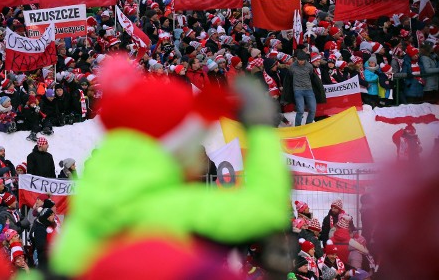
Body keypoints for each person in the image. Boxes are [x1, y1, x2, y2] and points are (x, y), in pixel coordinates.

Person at [50, 57, 291, 277]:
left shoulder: (83, 221)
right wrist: (261, 130)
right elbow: (266, 208)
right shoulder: (175, 207)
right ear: (177, 148)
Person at [283, 51, 326, 126]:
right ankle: (297, 126)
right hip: (298, 90)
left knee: (313, 109)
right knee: (300, 110)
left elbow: (313, 77)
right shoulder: (292, 67)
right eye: (299, 60)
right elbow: (289, 78)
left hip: (309, 90)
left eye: (302, 60)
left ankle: (308, 125)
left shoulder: (309, 66)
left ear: (305, 60)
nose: (300, 62)